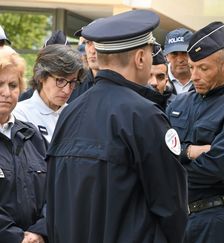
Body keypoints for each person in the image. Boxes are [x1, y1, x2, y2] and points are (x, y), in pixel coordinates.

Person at [46, 10, 188, 243]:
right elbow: (171, 208)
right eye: (151, 54)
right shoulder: (145, 116)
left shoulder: (69, 112)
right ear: (140, 58)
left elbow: (54, 201)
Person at [166, 21, 224, 243]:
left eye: (204, 68)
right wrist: (189, 151)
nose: (195, 75)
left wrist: (169, 172)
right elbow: (160, 150)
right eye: (192, 67)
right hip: (176, 216)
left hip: (214, 219)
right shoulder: (178, 103)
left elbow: (218, 167)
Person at [0, 48, 47, 243]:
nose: (6, 93)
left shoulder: (32, 135)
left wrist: (40, 231)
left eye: (13, 85)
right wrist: (17, 238)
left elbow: (53, 193)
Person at [13, 44, 84, 143]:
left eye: (72, 82)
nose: (67, 90)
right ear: (41, 76)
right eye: (60, 80)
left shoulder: (77, 116)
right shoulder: (19, 114)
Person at [68, 19, 101, 102]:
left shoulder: (126, 85)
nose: (92, 50)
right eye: (88, 42)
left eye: (97, 43)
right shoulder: (72, 84)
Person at [164, 28, 193, 94]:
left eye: (184, 53)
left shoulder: (204, 78)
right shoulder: (155, 78)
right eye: (174, 53)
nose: (180, 60)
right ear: (166, 56)